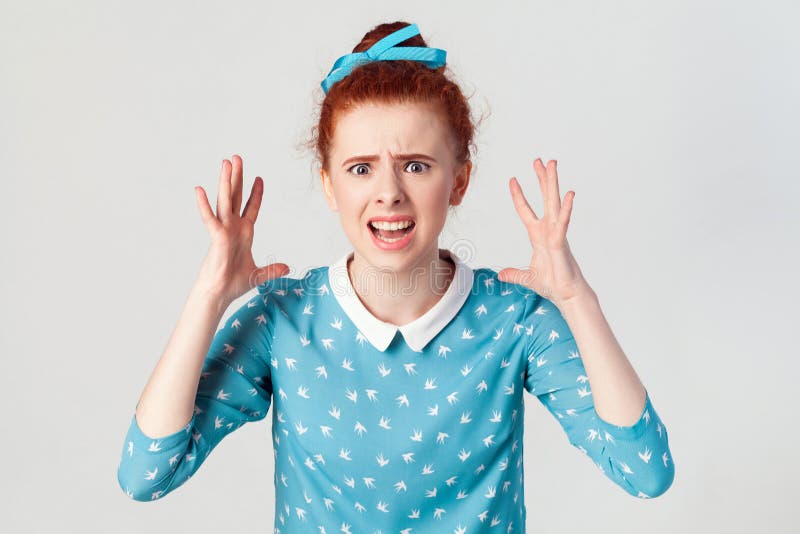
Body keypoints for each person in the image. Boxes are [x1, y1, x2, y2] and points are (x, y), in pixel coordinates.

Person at [117, 21, 674, 532]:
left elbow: (645, 472)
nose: (389, 192)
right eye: (361, 169)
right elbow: (146, 474)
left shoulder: (514, 320)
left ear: (458, 182)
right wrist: (209, 297)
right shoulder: (282, 320)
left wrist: (577, 299)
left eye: (416, 165)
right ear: (331, 185)